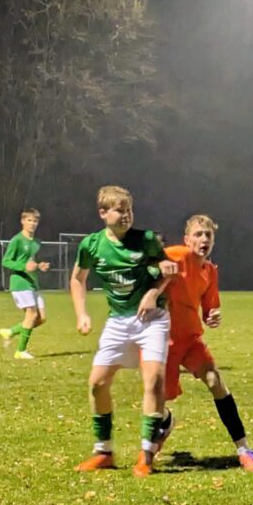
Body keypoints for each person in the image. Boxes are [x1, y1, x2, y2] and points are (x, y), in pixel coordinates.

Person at [70, 185, 177, 477]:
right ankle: (103, 452)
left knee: (153, 380)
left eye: (129, 210)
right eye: (120, 211)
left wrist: (153, 292)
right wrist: (81, 314)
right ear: (103, 213)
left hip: (152, 318)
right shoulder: (91, 245)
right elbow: (78, 279)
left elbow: (167, 270)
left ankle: (146, 454)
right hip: (118, 321)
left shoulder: (146, 240)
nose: (126, 216)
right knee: (97, 384)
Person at [158, 214, 253, 471]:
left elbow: (209, 311)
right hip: (163, 342)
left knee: (215, 381)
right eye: (198, 234)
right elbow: (149, 261)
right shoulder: (176, 256)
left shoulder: (210, 272)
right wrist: (157, 266)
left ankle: (244, 449)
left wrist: (212, 317)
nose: (204, 239)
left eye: (208, 235)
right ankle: (166, 422)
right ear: (187, 240)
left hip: (191, 340)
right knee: (158, 401)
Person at [0, 207, 51, 359]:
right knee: (32, 314)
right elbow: (6, 261)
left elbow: (30, 262)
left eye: (35, 221)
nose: (32, 223)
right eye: (29, 220)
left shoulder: (36, 243)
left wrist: (39, 266)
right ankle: (20, 351)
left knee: (41, 318)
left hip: (32, 282)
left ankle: (11, 332)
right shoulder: (17, 240)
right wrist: (23, 267)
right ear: (22, 221)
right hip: (20, 283)